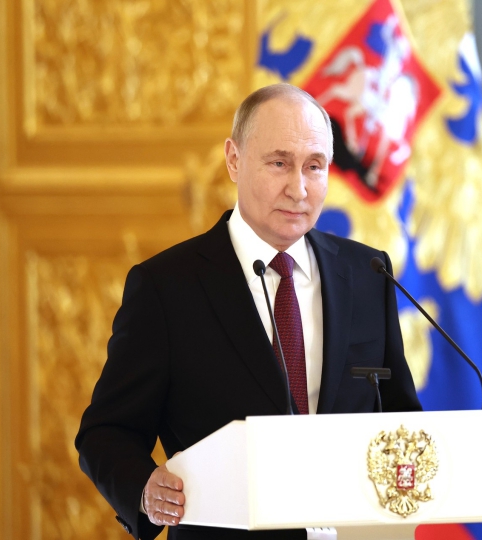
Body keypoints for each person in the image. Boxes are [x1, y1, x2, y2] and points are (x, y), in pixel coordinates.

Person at [75, 83, 422, 540]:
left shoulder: (368, 272)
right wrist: (144, 487)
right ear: (234, 160)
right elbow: (105, 432)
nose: (298, 188)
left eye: (314, 167)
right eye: (279, 163)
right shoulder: (167, 287)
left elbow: (399, 416)